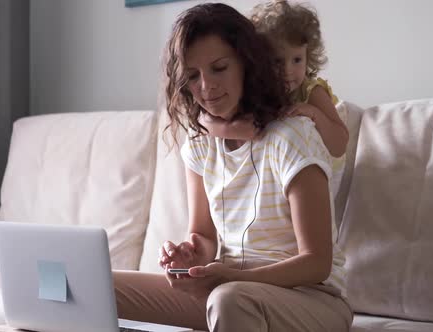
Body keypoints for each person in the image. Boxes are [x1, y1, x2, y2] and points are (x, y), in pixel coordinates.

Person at [113, 3, 353, 331]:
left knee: (228, 300)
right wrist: (190, 255)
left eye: (219, 68)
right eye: (193, 76)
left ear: (247, 64)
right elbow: (204, 236)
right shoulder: (198, 146)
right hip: (228, 294)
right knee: (99, 285)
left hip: (311, 299)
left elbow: (317, 263)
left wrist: (236, 277)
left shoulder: (293, 135)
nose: (206, 87)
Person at [199, 0, 349, 192]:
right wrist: (229, 129)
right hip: (280, 174)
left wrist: (313, 113)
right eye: (277, 61)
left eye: (297, 59)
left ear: (308, 55)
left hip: (324, 172)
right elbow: (203, 120)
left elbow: (340, 144)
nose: (288, 71)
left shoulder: (311, 91)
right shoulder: (256, 90)